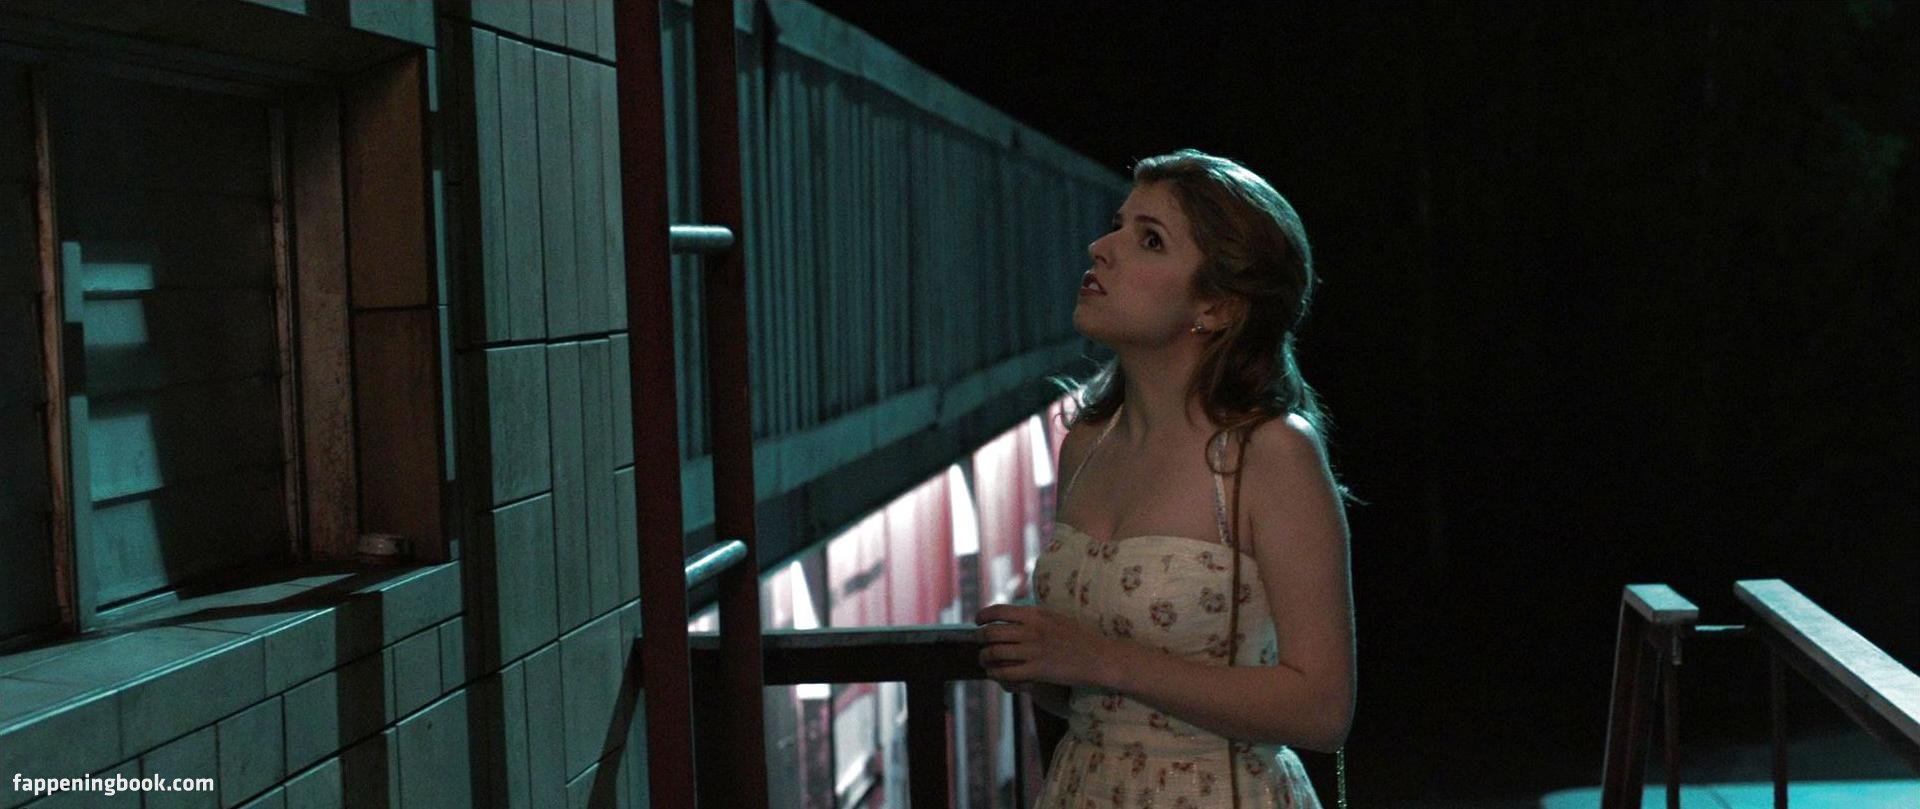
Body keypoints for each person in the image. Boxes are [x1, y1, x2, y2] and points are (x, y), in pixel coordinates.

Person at [974, 148, 1356, 808]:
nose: (1100, 248)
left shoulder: (1268, 452)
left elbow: (1322, 709)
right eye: (1117, 225)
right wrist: (1039, 665)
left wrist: (1098, 657)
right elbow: (1096, 692)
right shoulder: (1088, 440)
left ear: (1217, 305)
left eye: (1149, 239)